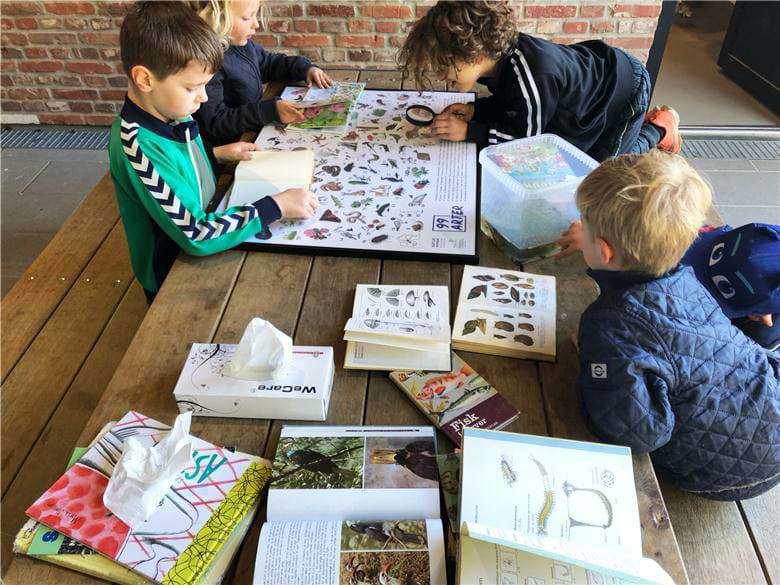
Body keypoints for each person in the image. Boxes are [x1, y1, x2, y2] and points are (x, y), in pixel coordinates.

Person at [571, 150, 779, 500]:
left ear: (605, 251)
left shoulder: (609, 326)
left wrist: (593, 367)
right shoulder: (686, 277)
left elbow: (639, 433)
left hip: (727, 475)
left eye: (584, 225)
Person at [109, 1, 317, 302]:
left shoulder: (171, 110)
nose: (203, 98)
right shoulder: (138, 147)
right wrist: (275, 206)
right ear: (145, 79)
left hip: (209, 226)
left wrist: (217, 154)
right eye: (193, 88)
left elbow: (183, 162)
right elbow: (194, 234)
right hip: (174, 270)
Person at [398, 0, 681, 161]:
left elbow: (527, 145)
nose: (441, 75)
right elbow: (514, 107)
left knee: (604, 171)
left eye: (444, 65)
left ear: (472, 53)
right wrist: (477, 110)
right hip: (596, 77)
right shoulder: (500, 60)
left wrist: (469, 131)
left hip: (622, 93)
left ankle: (659, 129)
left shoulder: (529, 74)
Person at [190, 0, 333, 146]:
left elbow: (268, 64)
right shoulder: (206, 64)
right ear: (215, 18)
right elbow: (216, 123)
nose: (256, 24)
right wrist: (268, 111)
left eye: (255, 15)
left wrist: (305, 69)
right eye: (247, 18)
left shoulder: (241, 45)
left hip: (255, 128)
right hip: (234, 147)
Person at [681, 223, 780, 350]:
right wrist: (761, 308)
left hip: (707, 245)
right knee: (768, 336)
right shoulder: (696, 330)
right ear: (755, 317)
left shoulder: (676, 228)